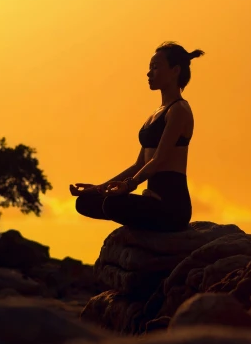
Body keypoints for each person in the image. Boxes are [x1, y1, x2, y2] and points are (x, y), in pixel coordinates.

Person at [70, 41, 205, 232]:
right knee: (85, 202)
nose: (149, 73)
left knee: (112, 205)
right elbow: (139, 164)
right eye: (149, 68)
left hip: (171, 205)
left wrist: (129, 186)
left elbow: (158, 159)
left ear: (175, 71)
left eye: (155, 68)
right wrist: (100, 187)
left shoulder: (179, 110)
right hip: (149, 198)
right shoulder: (155, 114)